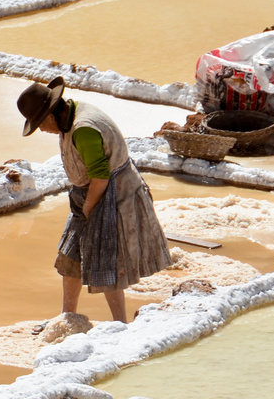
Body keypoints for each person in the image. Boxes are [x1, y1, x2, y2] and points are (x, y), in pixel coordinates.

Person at [17, 77, 171, 323]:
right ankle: (68, 317)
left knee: (105, 261)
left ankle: (120, 324)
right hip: (90, 192)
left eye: (40, 125)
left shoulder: (83, 129)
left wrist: (89, 207)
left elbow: (100, 177)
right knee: (70, 257)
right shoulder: (70, 114)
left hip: (109, 193)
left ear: (50, 116)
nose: (43, 131)